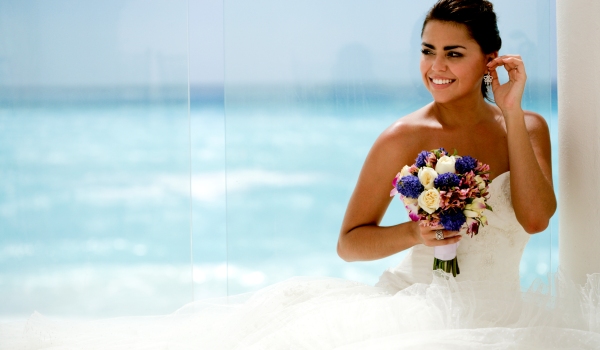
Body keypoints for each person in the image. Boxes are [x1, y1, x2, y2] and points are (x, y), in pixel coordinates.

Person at [3, 0, 599, 348]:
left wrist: (514, 111)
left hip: (506, 319)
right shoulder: (403, 137)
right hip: (420, 313)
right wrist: (415, 234)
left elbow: (536, 218)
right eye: (426, 50)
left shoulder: (530, 128)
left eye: (453, 53)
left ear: (490, 60)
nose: (435, 67)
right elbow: (350, 242)